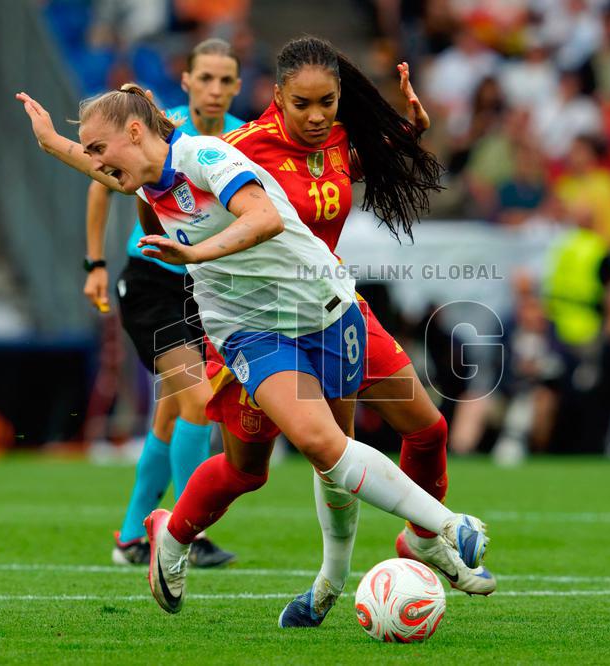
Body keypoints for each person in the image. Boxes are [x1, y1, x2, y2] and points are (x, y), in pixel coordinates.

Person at [15, 82, 493, 617]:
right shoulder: (145, 178)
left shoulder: (205, 156)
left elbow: (263, 218)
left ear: (134, 132)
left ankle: (210, 547)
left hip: (325, 308)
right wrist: (50, 141)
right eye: (93, 153)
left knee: (264, 466)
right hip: (250, 329)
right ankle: (450, 526)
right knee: (319, 442)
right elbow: (96, 164)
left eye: (100, 149)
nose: (98, 163)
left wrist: (192, 252)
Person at [205, 37, 495, 628]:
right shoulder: (238, 152)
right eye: (303, 104)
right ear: (277, 97)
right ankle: (325, 582)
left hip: (340, 309)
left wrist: (409, 130)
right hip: (278, 324)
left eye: (328, 102)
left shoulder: (335, 141)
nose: (317, 117)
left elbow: (353, 167)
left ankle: (420, 539)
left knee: (429, 427)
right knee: (313, 461)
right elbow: (173, 195)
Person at [83, 38, 242, 569]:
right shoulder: (159, 126)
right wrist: (95, 263)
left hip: (202, 283)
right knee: (198, 402)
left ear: (237, 86)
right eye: (206, 78)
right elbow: (101, 182)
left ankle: (132, 536)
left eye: (225, 80)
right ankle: (184, 533)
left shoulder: (243, 135)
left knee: (173, 413)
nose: (215, 89)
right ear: (187, 81)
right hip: (151, 279)